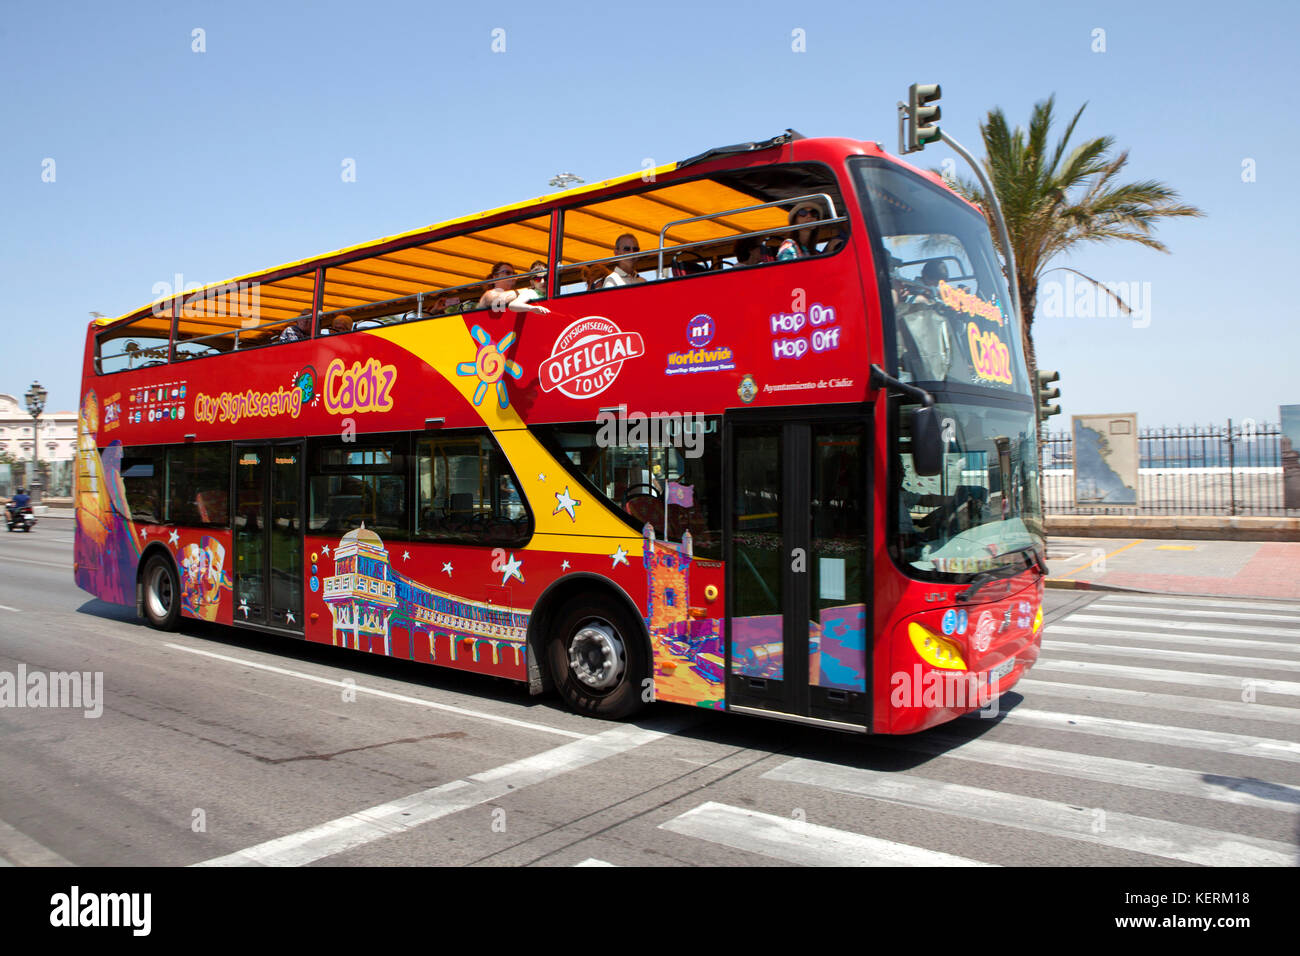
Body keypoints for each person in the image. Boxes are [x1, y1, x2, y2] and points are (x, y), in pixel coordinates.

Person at [478, 262, 551, 314]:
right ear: (495, 277)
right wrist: (530, 290)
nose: (512, 276)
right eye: (507, 272)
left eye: (514, 273)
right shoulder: (489, 294)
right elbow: (496, 300)